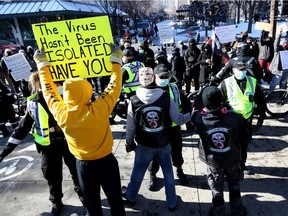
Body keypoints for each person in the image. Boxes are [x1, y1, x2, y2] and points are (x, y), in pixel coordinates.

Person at [33, 44, 126, 216]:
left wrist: (42, 65)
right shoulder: (100, 108)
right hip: (106, 162)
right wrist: (116, 60)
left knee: (92, 204)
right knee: (115, 199)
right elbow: (114, 86)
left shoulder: (61, 113)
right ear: (87, 92)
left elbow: (48, 91)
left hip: (82, 165)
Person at [0, 72, 85, 216]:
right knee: (51, 175)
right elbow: (23, 128)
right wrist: (5, 151)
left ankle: (84, 198)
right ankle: (57, 201)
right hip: (48, 146)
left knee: (78, 172)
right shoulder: (34, 101)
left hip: (69, 142)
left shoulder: (66, 96)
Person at [122, 67, 191, 212]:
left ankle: (131, 197)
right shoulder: (166, 97)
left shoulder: (133, 100)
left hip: (144, 145)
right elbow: (178, 119)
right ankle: (172, 202)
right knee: (168, 174)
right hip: (163, 143)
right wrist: (190, 115)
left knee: (137, 173)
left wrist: (129, 141)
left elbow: (130, 127)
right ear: (154, 79)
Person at [191, 86, 249, 216]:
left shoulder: (199, 118)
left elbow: (194, 108)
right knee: (234, 184)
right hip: (232, 158)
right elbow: (245, 137)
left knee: (216, 186)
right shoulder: (234, 117)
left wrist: (199, 97)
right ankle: (237, 210)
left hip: (214, 162)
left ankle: (219, 211)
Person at [148, 65, 191, 190]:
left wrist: (186, 115)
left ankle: (179, 170)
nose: (165, 79)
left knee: (177, 152)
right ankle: (153, 174)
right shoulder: (150, 90)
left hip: (173, 129)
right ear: (155, 77)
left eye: (167, 76)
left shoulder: (174, 87)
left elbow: (185, 103)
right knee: (155, 155)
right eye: (162, 77)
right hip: (157, 131)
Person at [218, 60, 266, 174]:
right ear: (233, 70)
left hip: (247, 119)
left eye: (244, 69)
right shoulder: (226, 83)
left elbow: (261, 100)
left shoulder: (253, 81)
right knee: (231, 144)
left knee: (244, 143)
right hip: (231, 120)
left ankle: (241, 164)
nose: (242, 72)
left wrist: (262, 115)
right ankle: (229, 166)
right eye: (240, 70)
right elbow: (219, 102)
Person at [269, 28, 288, 92]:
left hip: (286, 69)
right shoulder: (278, 49)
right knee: (274, 82)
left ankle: (281, 94)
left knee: (283, 82)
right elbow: (276, 44)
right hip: (278, 69)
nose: (285, 44)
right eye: (284, 43)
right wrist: (279, 34)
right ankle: (270, 93)